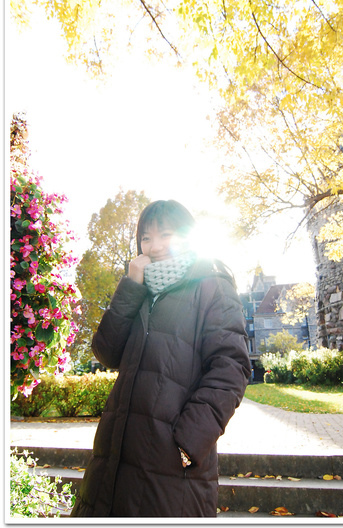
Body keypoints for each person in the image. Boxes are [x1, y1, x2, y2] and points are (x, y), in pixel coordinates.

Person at [71, 199, 251, 517]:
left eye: (165, 235)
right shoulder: (140, 289)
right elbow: (106, 352)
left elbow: (231, 367)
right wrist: (131, 287)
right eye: (146, 237)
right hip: (116, 453)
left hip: (170, 461)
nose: (154, 247)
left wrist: (189, 440)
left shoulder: (213, 287)